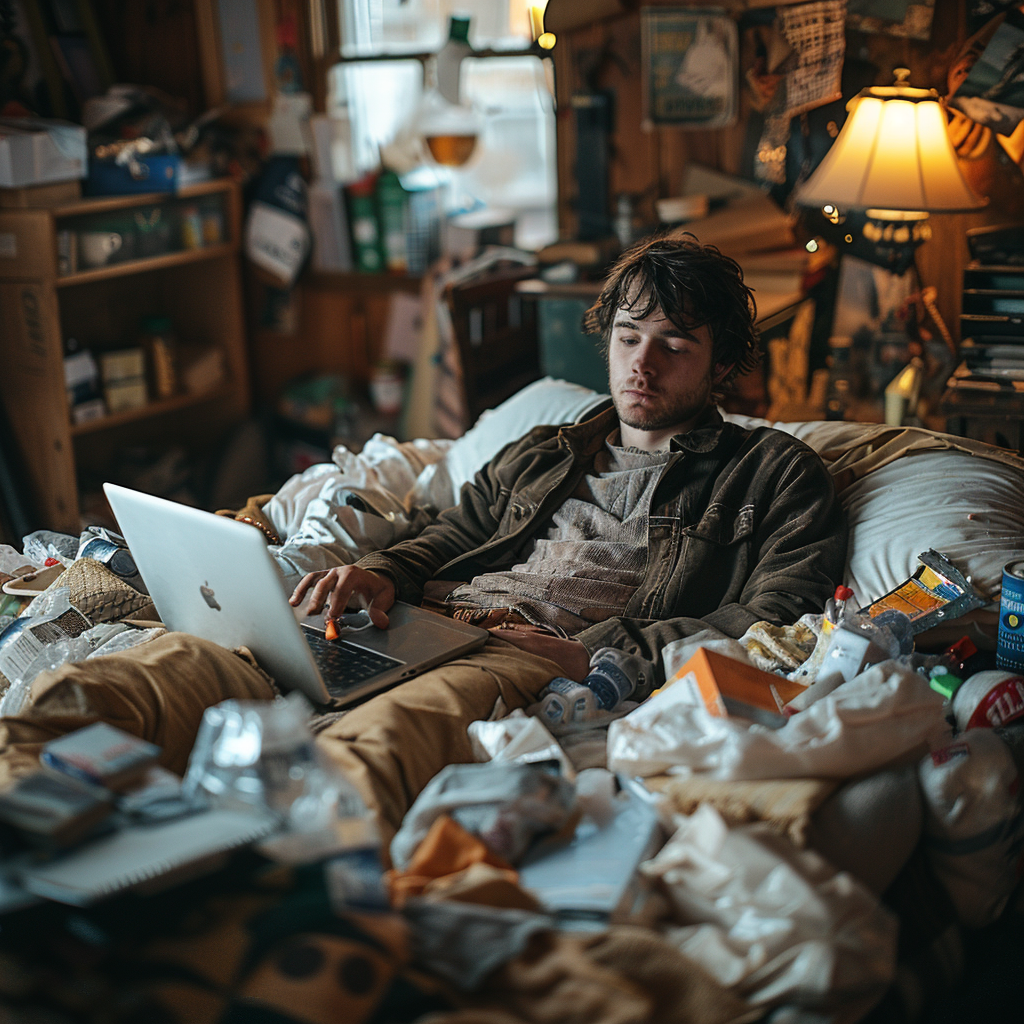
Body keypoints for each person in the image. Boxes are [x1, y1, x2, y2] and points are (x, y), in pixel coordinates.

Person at [0, 236, 847, 843]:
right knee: (148, 678)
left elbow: (780, 625)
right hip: (408, 623)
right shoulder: (549, 446)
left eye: (675, 345)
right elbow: (447, 531)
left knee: (358, 761)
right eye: (629, 338)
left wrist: (593, 657)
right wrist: (376, 574)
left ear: (722, 361)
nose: (642, 366)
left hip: (522, 659)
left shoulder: (774, 473)